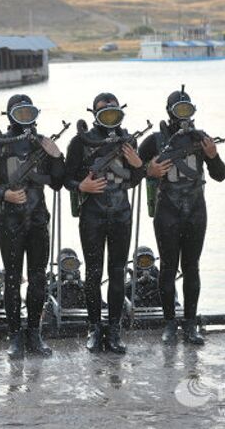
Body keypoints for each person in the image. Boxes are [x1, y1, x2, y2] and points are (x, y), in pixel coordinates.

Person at [0, 94, 65, 358]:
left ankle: (34, 333)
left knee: (37, 278)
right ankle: (15, 337)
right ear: (10, 115)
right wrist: (3, 195)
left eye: (29, 113)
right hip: (10, 221)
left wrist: (56, 156)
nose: (25, 119)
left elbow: (57, 182)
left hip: (37, 221)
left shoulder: (42, 144)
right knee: (12, 279)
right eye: (20, 113)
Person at [138, 87, 225, 344]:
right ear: (169, 112)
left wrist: (213, 156)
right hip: (167, 211)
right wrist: (149, 170)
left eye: (188, 110)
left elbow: (220, 175)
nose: (184, 115)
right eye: (179, 110)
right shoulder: (154, 141)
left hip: (196, 210)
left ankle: (189, 324)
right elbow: (132, 174)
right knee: (167, 267)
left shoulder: (202, 138)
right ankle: (169, 324)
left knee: (192, 267)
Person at [64, 92, 146, 353]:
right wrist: (82, 186)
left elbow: (134, 180)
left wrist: (138, 165)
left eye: (113, 109)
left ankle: (114, 330)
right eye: (104, 110)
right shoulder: (79, 142)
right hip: (93, 215)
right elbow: (65, 179)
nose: (109, 113)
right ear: (94, 113)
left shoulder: (129, 140)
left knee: (118, 271)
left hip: (121, 212)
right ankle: (94, 328)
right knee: (93, 272)